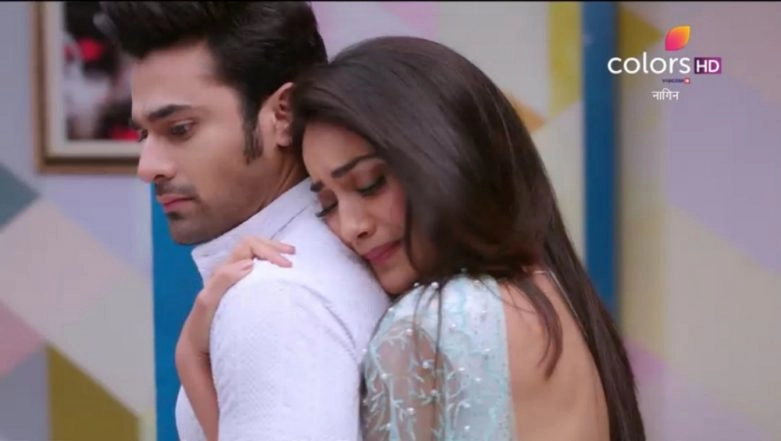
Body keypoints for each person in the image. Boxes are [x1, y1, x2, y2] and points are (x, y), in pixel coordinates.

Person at [181, 35, 647, 441]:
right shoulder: (550, 291)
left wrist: (193, 363)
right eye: (328, 203)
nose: (352, 226)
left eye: (370, 184)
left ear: (450, 158)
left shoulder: (433, 324)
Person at [96, 3, 391, 441]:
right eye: (143, 135)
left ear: (283, 114)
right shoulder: (313, 268)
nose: (148, 167)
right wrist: (190, 360)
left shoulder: (275, 298)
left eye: (180, 129)